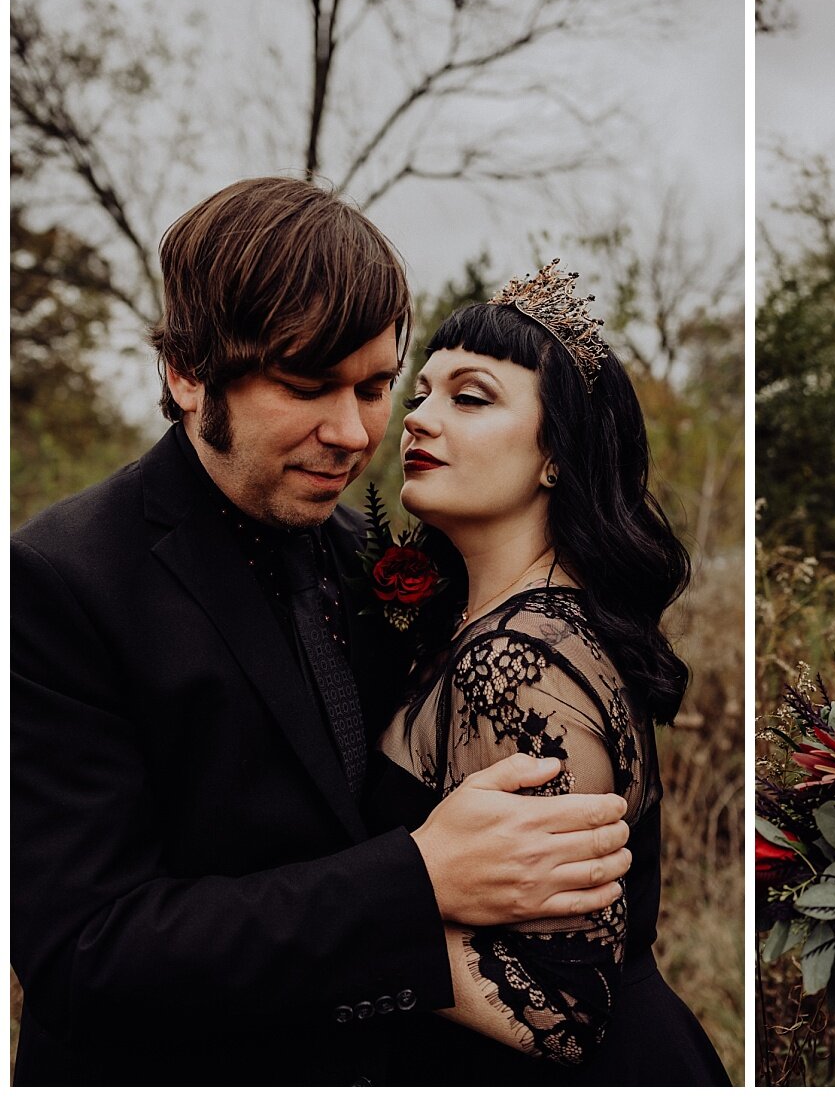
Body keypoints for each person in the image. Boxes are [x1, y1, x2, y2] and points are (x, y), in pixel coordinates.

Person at [10, 179, 632, 1084]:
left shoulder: (373, 554)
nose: (354, 432)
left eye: (377, 387)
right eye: (306, 386)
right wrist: (415, 881)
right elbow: (87, 957)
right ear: (187, 373)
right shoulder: (59, 580)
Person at [366, 264, 729, 1083]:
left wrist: (343, 928)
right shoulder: (492, 624)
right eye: (419, 392)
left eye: (470, 396)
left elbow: (564, 1010)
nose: (417, 419)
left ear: (556, 456)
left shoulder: (521, 661)